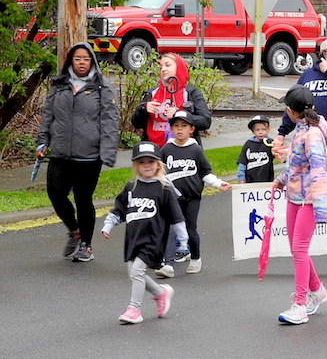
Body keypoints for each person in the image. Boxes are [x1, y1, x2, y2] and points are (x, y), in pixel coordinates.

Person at [36, 42, 119, 262]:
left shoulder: (102, 87)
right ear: (70, 61)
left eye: (86, 59)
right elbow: (47, 116)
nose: (82, 63)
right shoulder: (59, 85)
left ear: (92, 61)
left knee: (83, 199)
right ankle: (74, 231)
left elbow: (110, 122)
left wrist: (107, 153)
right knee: (55, 193)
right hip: (61, 153)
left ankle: (86, 245)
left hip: (89, 156)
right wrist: (42, 141)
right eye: (77, 59)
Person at [101, 142, 187, 324]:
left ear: (158, 164)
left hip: (153, 239)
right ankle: (160, 292)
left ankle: (134, 310)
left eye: (150, 161)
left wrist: (183, 238)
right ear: (136, 165)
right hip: (133, 238)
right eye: (142, 162)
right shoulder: (131, 186)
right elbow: (119, 209)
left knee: (137, 271)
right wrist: (108, 224)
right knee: (134, 273)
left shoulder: (164, 188)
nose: (146, 165)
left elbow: (176, 216)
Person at [273, 85, 327, 324]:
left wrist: (319, 207)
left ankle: (299, 304)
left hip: (309, 199)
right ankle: (317, 291)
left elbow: (319, 171)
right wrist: (281, 180)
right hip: (295, 196)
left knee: (298, 249)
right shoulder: (303, 130)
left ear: (290, 111)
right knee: (297, 248)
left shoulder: (312, 134)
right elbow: (297, 164)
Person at [155, 111, 230, 278]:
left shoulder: (195, 150)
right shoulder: (166, 149)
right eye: (176, 126)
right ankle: (168, 264)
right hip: (172, 199)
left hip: (192, 198)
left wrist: (218, 183)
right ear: (171, 128)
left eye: (184, 126)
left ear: (191, 129)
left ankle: (195, 257)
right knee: (171, 228)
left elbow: (205, 172)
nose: (179, 129)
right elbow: (158, 172)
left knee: (190, 228)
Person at [274, 38, 327, 175]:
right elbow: (294, 103)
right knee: (309, 177)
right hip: (310, 138)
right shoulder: (308, 75)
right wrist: (282, 133)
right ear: (322, 54)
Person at [132, 53, 211, 147]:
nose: (163, 69)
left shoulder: (190, 93)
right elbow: (136, 123)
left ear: (179, 67)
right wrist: (143, 109)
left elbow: (205, 121)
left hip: (183, 151)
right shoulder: (151, 93)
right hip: (154, 151)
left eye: (167, 65)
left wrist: (179, 115)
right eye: (161, 67)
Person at [237, 115, 275, 183]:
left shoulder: (271, 143)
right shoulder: (248, 144)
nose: (260, 132)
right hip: (250, 181)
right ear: (253, 131)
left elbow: (279, 156)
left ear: (268, 129)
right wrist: (241, 178)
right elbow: (242, 162)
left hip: (267, 181)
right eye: (257, 129)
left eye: (263, 129)